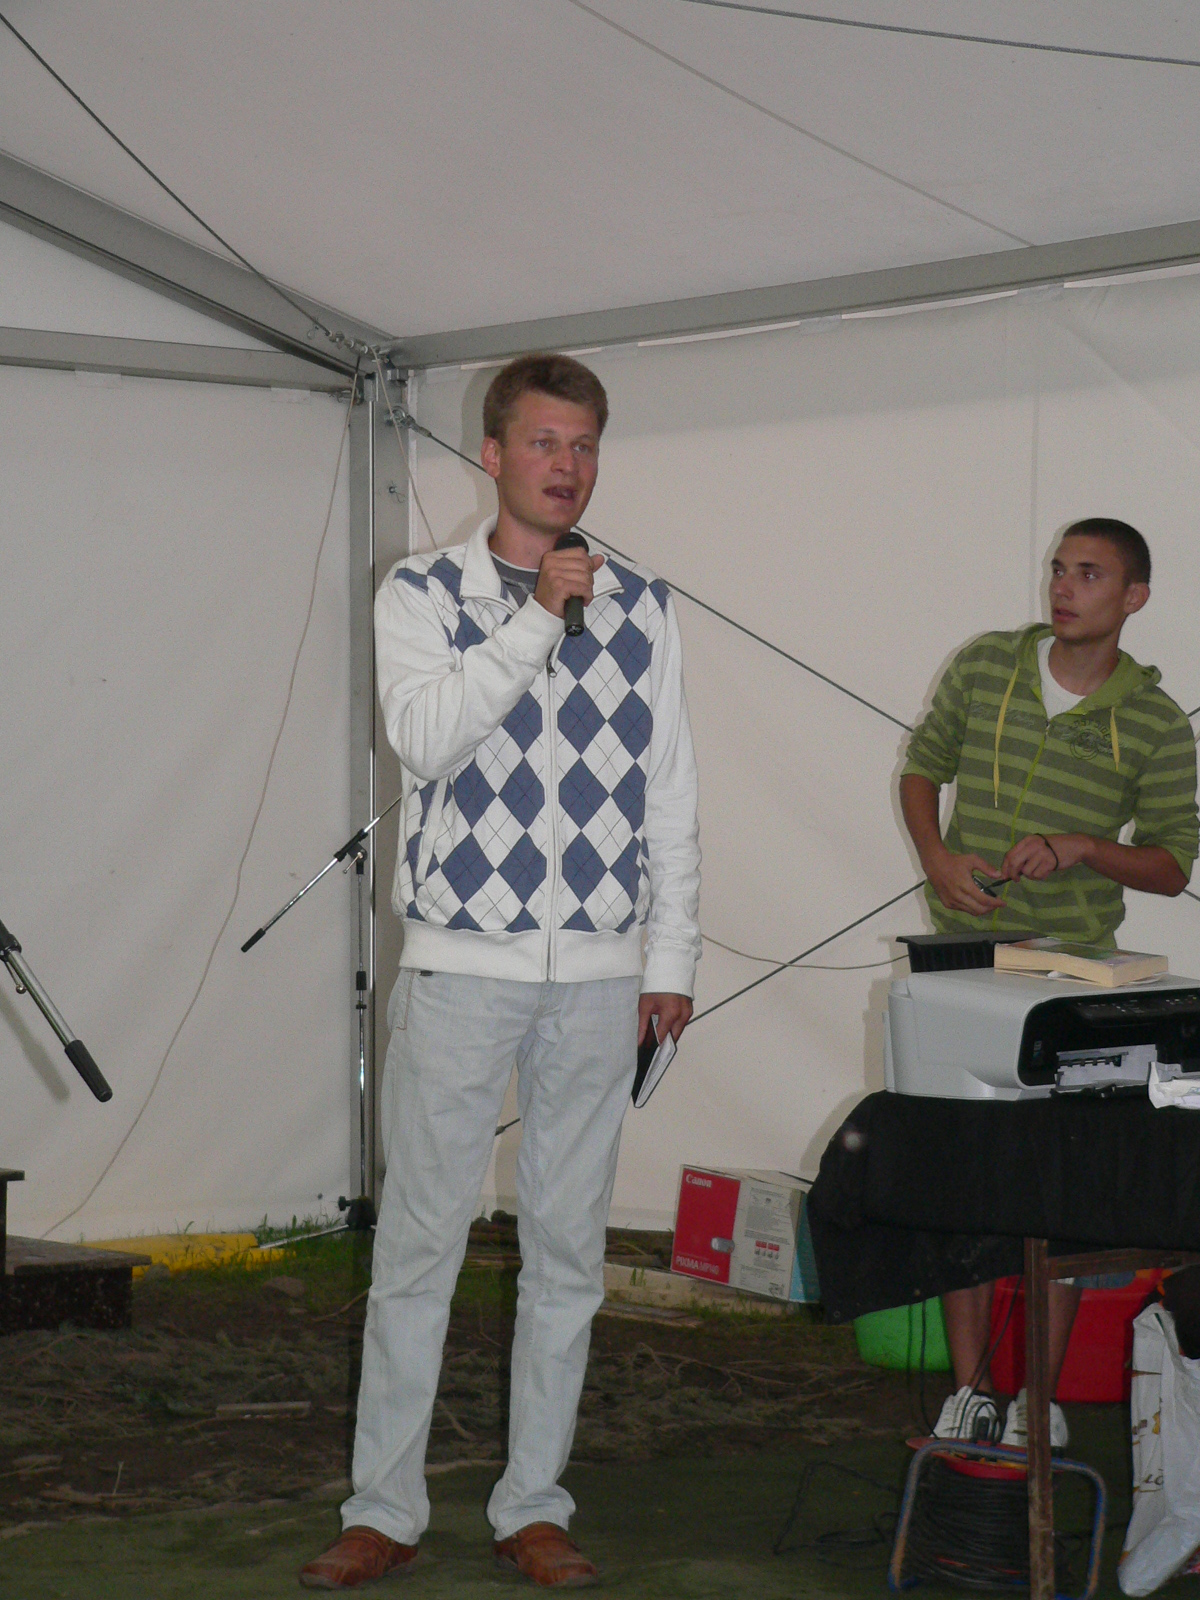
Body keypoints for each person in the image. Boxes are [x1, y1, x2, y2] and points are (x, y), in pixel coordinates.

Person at [300, 353, 701, 1590]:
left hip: (600, 978)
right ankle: (385, 1507)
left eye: (583, 445)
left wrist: (671, 954)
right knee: (418, 1250)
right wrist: (535, 618)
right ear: (491, 453)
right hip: (460, 968)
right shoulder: (420, 592)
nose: (566, 466)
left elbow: (670, 793)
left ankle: (534, 1503)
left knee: (568, 1256)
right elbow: (426, 739)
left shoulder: (644, 606)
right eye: (543, 442)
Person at [899, 517, 1198, 1448]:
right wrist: (937, 856)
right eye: (1060, 569)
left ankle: (1039, 1399)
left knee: (1053, 1195)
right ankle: (970, 1393)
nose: (1065, 588)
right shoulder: (987, 664)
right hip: (961, 963)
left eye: (1090, 574)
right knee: (958, 1181)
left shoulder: (1154, 721)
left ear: (1134, 598)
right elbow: (922, 768)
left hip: (1070, 980)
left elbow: (1173, 865)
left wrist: (1085, 848)